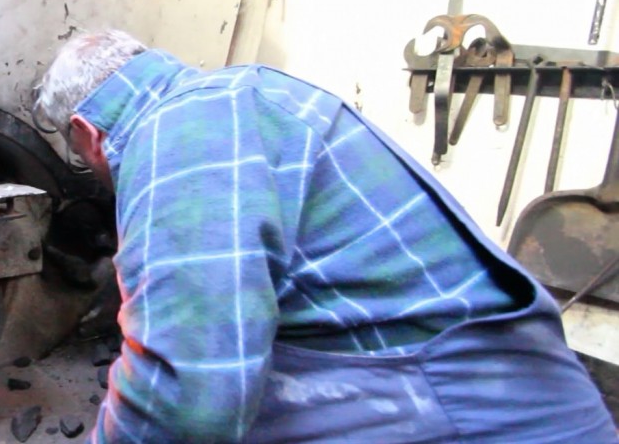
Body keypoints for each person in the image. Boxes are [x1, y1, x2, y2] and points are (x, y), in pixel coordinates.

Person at [35, 29, 617, 443]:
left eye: (86, 162)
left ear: (86, 133)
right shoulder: (245, 95)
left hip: (471, 415)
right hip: (485, 393)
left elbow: (186, 398)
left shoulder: (179, 135)